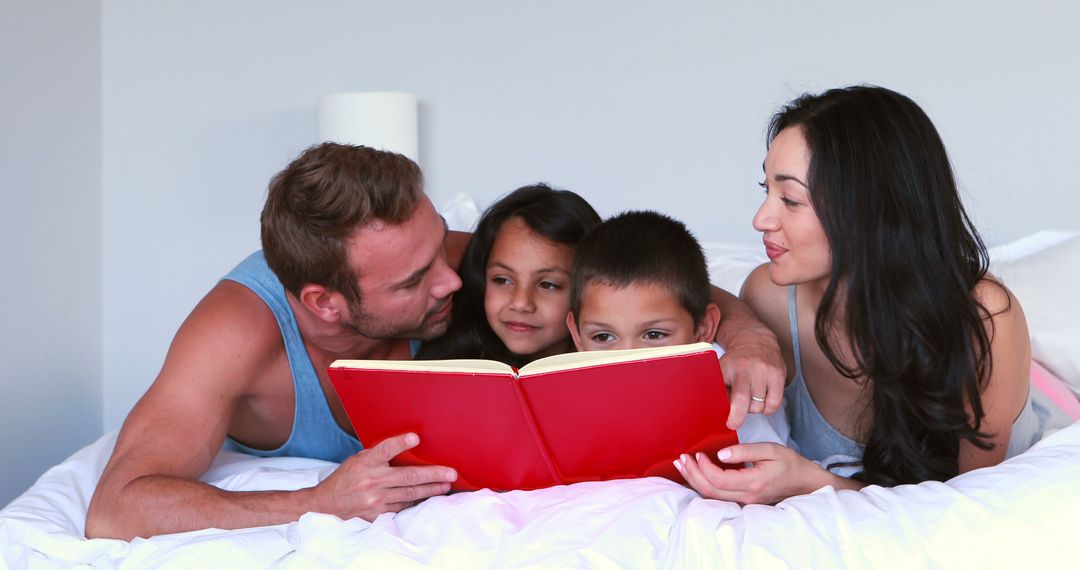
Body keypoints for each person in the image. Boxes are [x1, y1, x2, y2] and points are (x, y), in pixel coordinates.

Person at [86, 143, 785, 540]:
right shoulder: (235, 334)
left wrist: (749, 333)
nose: (454, 279)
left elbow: (639, 281)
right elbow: (118, 506)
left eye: (442, 248)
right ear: (328, 305)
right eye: (418, 278)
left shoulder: (443, 263)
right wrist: (315, 503)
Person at [678, 85, 1072, 504]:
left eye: (790, 199)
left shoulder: (985, 320)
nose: (761, 219)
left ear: (868, 209)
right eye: (766, 190)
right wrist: (746, 334)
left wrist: (811, 482)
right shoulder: (770, 297)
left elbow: (965, 505)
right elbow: (679, 289)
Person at [566, 210, 789, 446]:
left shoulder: (733, 384)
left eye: (654, 335)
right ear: (577, 335)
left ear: (703, 329)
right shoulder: (566, 388)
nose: (627, 359)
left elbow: (770, 468)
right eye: (603, 337)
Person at [417, 184, 601, 368]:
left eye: (548, 285)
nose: (521, 303)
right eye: (502, 280)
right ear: (481, 280)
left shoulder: (609, 371)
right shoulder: (444, 368)